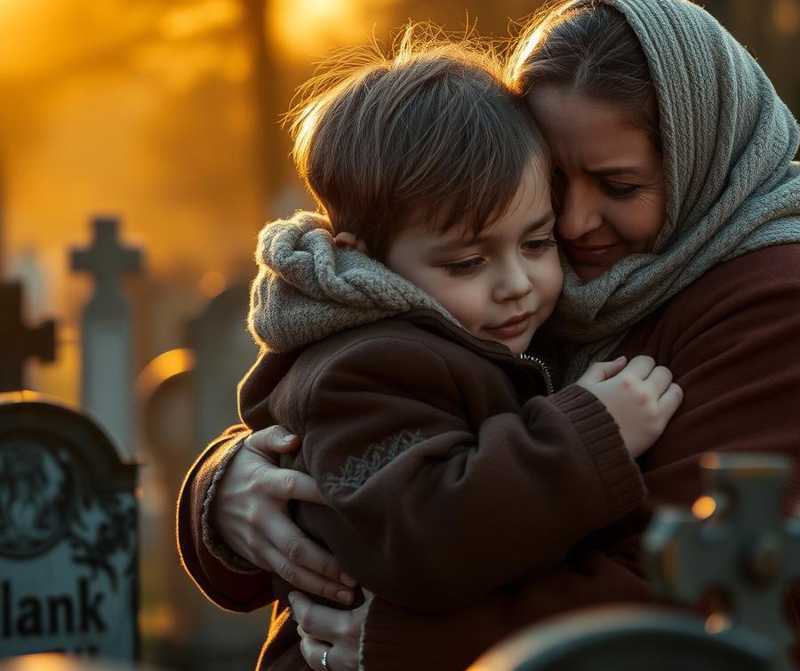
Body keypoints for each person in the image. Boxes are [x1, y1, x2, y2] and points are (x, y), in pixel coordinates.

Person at [177, 1, 800, 670]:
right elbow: (367, 433)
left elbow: (697, 585)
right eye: (556, 180)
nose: (572, 223)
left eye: (618, 185)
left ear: (700, 158)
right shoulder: (525, 272)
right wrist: (228, 493)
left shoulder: (785, 302)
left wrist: (403, 646)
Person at [204, 35, 683, 671]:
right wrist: (590, 432)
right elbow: (423, 537)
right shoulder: (367, 366)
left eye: (537, 243)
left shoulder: (451, 336)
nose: (517, 283)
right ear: (366, 257)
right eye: (467, 261)